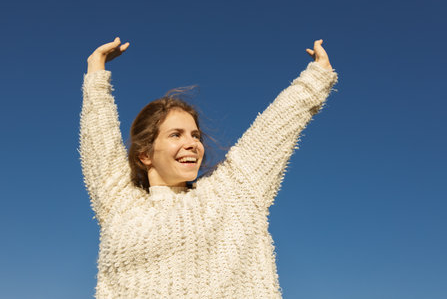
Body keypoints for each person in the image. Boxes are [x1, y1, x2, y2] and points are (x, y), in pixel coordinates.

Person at [80, 37, 338, 298]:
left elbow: (272, 129)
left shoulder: (230, 194)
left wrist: (317, 77)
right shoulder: (121, 207)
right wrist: (96, 69)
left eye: (195, 135)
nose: (192, 143)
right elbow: (99, 144)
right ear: (145, 155)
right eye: (176, 135)